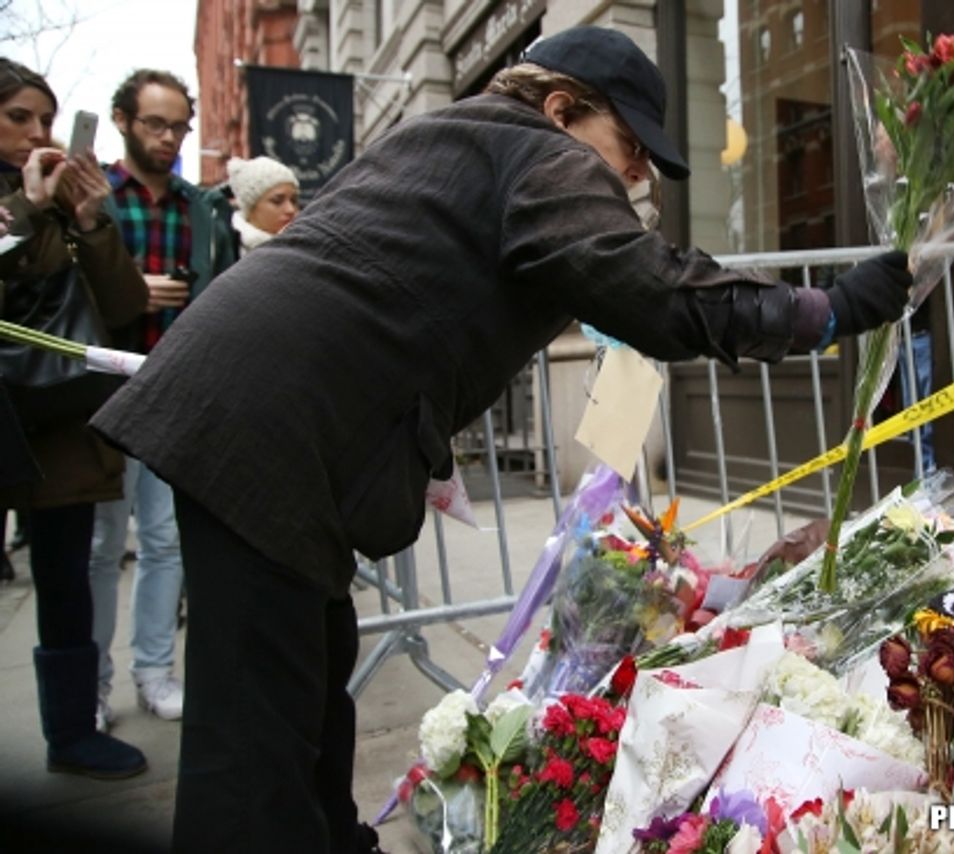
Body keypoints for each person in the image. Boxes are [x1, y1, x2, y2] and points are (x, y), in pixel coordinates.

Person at [91, 26, 911, 851]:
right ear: (560, 109)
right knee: (253, 739)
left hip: (264, 412)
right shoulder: (540, 152)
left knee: (307, 673)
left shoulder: (466, 139)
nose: (634, 173)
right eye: (629, 145)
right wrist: (825, 311)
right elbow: (654, 292)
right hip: (267, 423)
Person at [0, 57, 149, 779]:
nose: (37, 133)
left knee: (65, 576)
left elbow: (123, 306)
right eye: (17, 117)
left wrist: (88, 221)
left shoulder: (65, 206)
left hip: (58, 420)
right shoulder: (24, 207)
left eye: (46, 119)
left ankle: (71, 732)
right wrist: (25, 212)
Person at [87, 68, 239, 733]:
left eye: (179, 126)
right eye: (156, 123)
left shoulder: (199, 208)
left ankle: (154, 671)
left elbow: (225, 290)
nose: (170, 137)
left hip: (175, 390)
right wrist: (130, 289)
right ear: (123, 120)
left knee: (166, 542)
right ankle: (91, 684)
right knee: (101, 545)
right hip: (100, 391)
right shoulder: (96, 196)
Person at [227, 155, 299, 253]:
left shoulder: (306, 248)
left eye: (293, 201)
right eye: (277, 201)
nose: (290, 210)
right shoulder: (228, 251)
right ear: (251, 207)